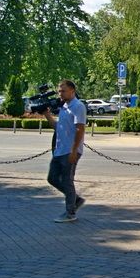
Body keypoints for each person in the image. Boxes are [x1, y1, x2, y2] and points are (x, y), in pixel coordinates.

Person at [43, 80, 87, 223]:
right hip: (60, 150)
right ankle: (75, 199)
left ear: (72, 91)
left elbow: (80, 129)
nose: (60, 94)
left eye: (63, 91)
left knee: (67, 181)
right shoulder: (64, 107)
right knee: (52, 178)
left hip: (70, 151)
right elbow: (58, 127)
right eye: (59, 91)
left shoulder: (78, 106)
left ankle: (70, 213)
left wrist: (74, 151)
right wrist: (47, 115)